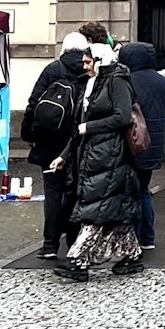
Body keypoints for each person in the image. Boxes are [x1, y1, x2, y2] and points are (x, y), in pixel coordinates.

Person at [54, 43, 143, 280]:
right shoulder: (93, 83)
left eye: (88, 62)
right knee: (113, 212)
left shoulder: (116, 80)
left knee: (96, 211)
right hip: (94, 155)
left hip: (112, 155)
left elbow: (122, 116)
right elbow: (80, 125)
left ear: (100, 61)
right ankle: (132, 255)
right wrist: (65, 155)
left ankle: (78, 259)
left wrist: (90, 127)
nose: (85, 67)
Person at [22, 32, 90, 258]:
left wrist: (28, 134)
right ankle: (74, 243)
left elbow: (34, 102)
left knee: (52, 191)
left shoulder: (53, 68)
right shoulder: (88, 68)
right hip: (78, 139)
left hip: (50, 139)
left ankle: (50, 244)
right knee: (75, 191)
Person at [120, 40, 165, 250]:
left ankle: (136, 236)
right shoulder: (162, 82)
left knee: (133, 192)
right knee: (144, 189)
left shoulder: (128, 80)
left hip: (133, 143)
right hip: (154, 144)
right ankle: (148, 237)